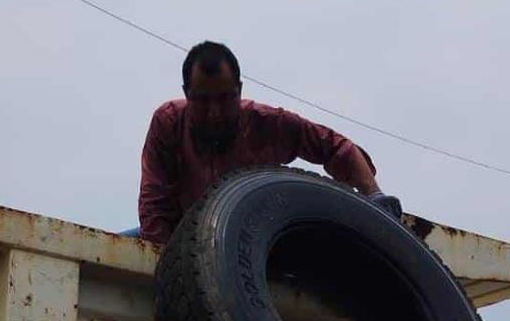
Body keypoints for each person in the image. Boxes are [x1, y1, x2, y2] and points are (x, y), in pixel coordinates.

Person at [139, 41, 402, 245]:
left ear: (239, 91)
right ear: (186, 94)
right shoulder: (169, 123)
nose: (214, 113)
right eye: (203, 101)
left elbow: (336, 147)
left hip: (251, 242)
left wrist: (375, 197)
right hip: (182, 239)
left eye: (224, 100)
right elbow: (154, 204)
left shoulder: (266, 124)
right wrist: (165, 265)